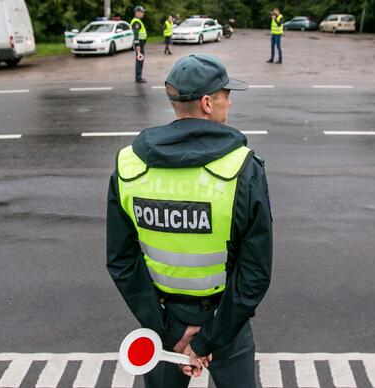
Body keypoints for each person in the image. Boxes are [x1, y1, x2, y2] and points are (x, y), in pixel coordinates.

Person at [106, 54, 273, 388]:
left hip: (164, 320)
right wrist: (209, 339)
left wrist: (167, 330)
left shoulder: (129, 166)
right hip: (227, 319)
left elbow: (122, 262)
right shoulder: (242, 169)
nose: (229, 101)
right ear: (208, 103)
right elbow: (254, 273)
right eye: (226, 94)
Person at [131, 6, 148, 83]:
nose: (143, 13)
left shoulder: (138, 21)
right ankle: (138, 77)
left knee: (140, 59)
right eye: (142, 12)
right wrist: (137, 45)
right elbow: (136, 34)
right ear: (137, 12)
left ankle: (139, 76)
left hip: (140, 43)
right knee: (139, 60)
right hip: (139, 43)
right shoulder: (136, 22)